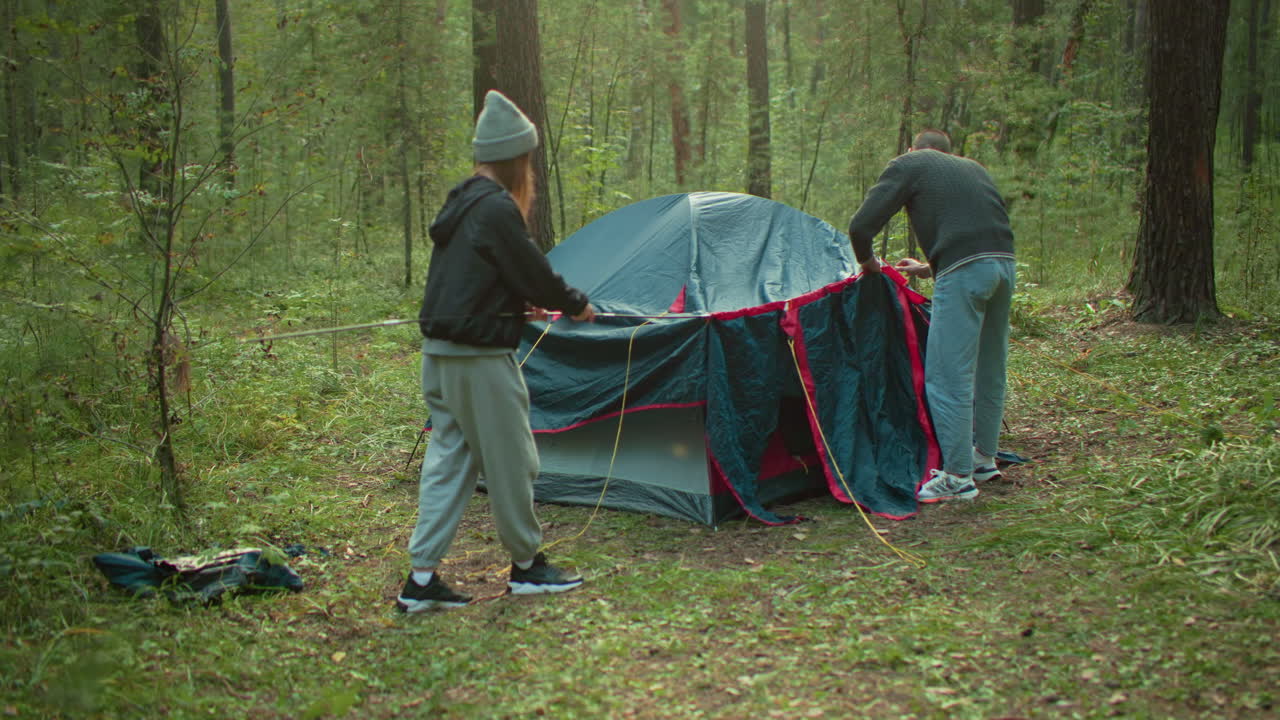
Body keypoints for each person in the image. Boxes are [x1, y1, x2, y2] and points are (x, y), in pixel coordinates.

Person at [397, 90, 596, 612]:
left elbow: (475, 274)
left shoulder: (462, 200)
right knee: (512, 461)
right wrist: (572, 303)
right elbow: (532, 267)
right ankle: (528, 569)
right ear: (517, 160)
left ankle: (421, 581)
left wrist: (510, 304)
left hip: (440, 355)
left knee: (450, 458)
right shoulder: (496, 207)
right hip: (478, 360)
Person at [847, 129, 1015, 503]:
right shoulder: (974, 169)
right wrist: (928, 267)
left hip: (966, 272)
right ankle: (984, 459)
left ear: (912, 149)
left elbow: (861, 226)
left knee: (946, 375)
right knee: (990, 368)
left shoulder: (911, 163)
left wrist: (869, 263)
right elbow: (975, 235)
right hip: (1003, 266)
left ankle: (957, 477)